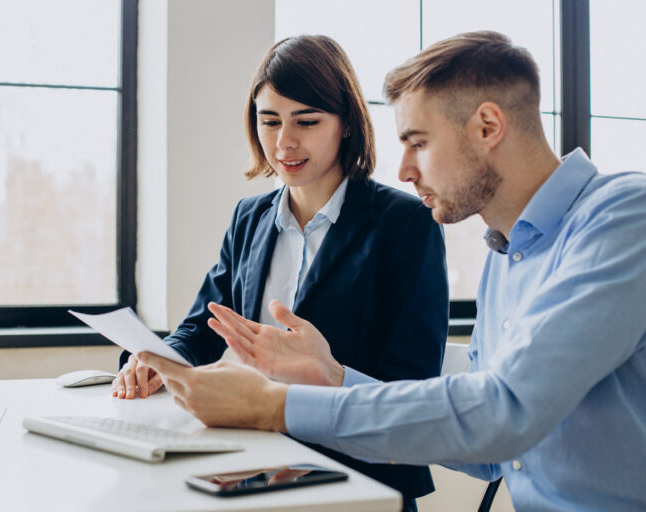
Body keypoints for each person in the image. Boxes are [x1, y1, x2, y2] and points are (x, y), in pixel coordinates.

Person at [138, 31, 646, 512]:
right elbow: (491, 454)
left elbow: (502, 412)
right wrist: (332, 378)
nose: (403, 169)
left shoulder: (626, 217)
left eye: (418, 142)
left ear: (488, 126)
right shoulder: (506, 254)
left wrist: (275, 405)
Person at [114, 35, 449, 509]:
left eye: (306, 121)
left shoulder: (405, 225)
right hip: (258, 463)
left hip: (356, 477)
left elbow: (411, 388)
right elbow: (204, 326)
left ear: (347, 124)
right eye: (269, 121)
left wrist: (321, 374)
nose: (284, 142)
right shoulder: (249, 218)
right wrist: (159, 360)